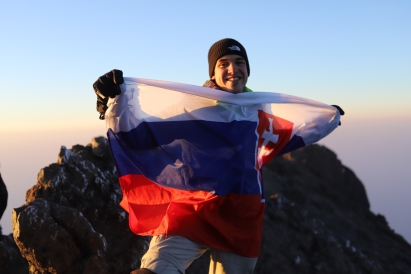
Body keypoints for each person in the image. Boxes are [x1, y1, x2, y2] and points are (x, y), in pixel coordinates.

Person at [93, 38, 344, 274]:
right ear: (212, 73)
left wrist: (329, 118)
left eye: (239, 62)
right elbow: (140, 136)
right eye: (223, 64)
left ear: (248, 69)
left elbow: (294, 134)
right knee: (155, 270)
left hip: (241, 217)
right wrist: (114, 101)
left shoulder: (260, 109)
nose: (233, 69)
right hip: (194, 209)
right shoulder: (193, 108)